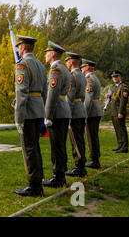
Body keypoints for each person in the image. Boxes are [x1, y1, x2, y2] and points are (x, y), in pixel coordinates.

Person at [13, 35, 47, 197]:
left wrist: (18, 117)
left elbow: (22, 91)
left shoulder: (22, 65)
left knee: (29, 148)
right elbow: (45, 91)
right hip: (38, 108)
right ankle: (38, 181)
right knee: (35, 146)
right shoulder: (40, 65)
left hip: (28, 111)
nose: (18, 48)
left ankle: (34, 185)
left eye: (19, 46)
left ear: (23, 48)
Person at [43, 41, 72, 188]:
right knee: (60, 144)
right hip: (63, 110)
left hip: (57, 112)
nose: (45, 55)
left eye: (47, 52)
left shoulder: (56, 70)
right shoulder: (63, 69)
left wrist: (47, 115)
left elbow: (52, 94)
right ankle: (61, 172)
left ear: (53, 54)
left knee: (56, 145)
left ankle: (58, 176)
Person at [64, 52, 87, 177]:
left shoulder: (72, 76)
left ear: (72, 62)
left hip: (74, 111)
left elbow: (70, 97)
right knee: (80, 138)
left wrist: (67, 113)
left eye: (67, 60)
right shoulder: (82, 75)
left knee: (75, 140)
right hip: (81, 108)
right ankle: (81, 163)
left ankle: (79, 166)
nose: (66, 63)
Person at [81, 59, 103, 168]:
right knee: (93, 136)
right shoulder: (94, 78)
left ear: (88, 67)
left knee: (91, 136)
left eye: (83, 66)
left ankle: (95, 160)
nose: (81, 68)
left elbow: (88, 99)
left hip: (92, 111)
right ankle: (95, 158)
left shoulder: (89, 80)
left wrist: (84, 115)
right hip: (95, 110)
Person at [108, 70, 129, 153]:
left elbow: (123, 101)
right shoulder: (115, 87)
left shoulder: (123, 87)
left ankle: (124, 147)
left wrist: (120, 112)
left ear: (120, 77)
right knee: (117, 129)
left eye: (116, 76)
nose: (114, 78)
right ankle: (120, 145)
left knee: (121, 129)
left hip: (119, 112)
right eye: (113, 77)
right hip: (114, 112)